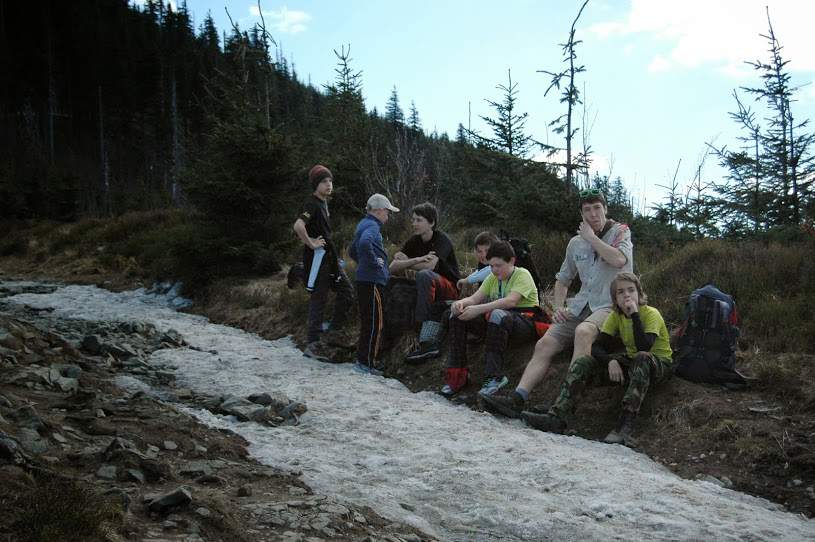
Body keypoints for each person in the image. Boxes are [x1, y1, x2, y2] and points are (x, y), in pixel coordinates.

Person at [482, 189, 633, 418]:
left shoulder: (621, 232)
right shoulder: (575, 244)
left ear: (605, 209)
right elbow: (562, 280)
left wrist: (591, 238)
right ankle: (517, 398)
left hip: (611, 304)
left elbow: (619, 259)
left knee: (583, 332)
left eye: (597, 208)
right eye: (587, 209)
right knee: (544, 344)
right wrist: (559, 307)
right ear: (581, 214)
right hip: (581, 304)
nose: (593, 214)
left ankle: (562, 408)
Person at [522, 272, 673, 445]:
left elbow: (645, 347)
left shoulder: (651, 314)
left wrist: (635, 316)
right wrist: (610, 361)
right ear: (614, 298)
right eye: (621, 292)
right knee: (583, 362)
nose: (627, 295)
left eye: (631, 290)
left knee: (642, 357)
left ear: (639, 293)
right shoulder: (616, 316)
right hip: (633, 361)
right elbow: (597, 346)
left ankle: (624, 427)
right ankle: (558, 417)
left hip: (658, 363)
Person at [442, 241, 542, 397]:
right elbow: (474, 299)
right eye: (491, 266)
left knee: (497, 314)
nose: (494, 270)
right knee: (457, 316)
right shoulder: (492, 277)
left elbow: (511, 301)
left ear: (512, 261)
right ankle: (457, 375)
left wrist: (478, 309)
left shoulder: (523, 274)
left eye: (499, 265)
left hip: (525, 322)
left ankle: (495, 377)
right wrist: (460, 303)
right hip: (500, 324)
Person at [292, 164, 354, 360]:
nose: (329, 184)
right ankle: (313, 344)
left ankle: (332, 331)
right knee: (319, 299)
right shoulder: (311, 203)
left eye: (330, 181)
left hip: (329, 258)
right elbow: (298, 225)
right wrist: (310, 243)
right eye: (324, 182)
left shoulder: (323, 203)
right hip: (318, 260)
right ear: (315, 185)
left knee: (346, 291)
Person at [388, 202, 461, 362]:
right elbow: (392, 267)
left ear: (431, 222)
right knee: (392, 281)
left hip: (449, 287)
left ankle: (422, 329)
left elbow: (429, 266)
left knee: (424, 275)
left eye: (419, 220)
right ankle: (387, 335)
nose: (414, 224)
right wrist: (416, 259)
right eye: (413, 220)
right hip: (428, 286)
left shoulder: (441, 240)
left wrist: (408, 261)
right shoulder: (414, 241)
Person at [348, 194, 400, 375]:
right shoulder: (372, 226)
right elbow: (363, 244)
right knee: (375, 323)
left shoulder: (362, 224)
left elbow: (351, 250)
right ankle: (368, 362)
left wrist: (362, 263)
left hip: (363, 280)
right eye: (387, 211)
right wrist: (374, 262)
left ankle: (363, 359)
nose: (388, 215)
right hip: (373, 281)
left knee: (367, 321)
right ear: (378, 211)